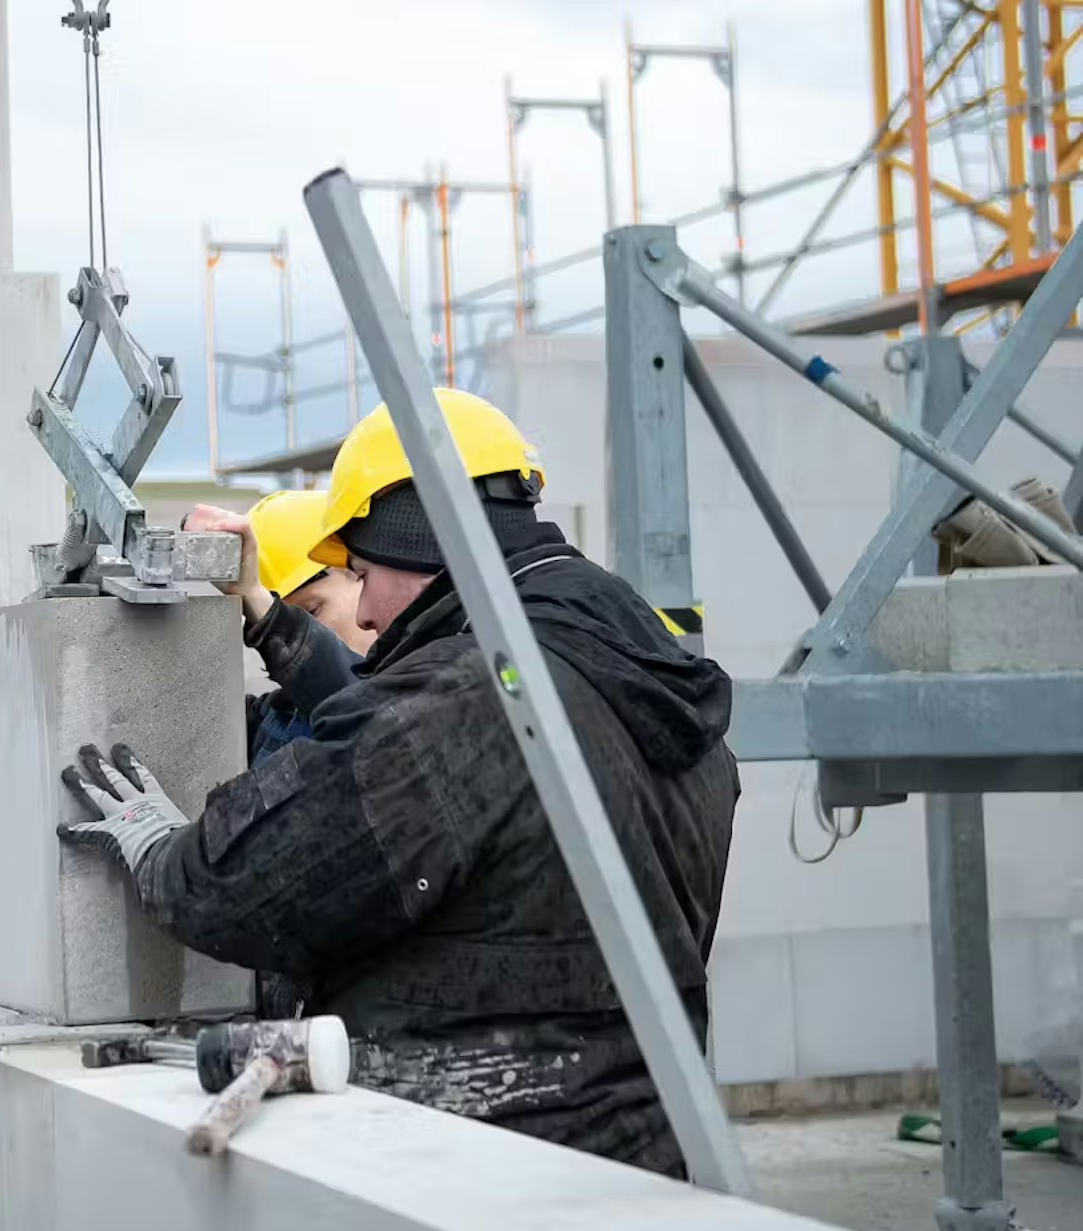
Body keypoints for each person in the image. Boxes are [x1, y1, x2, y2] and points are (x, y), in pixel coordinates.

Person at [58, 388, 738, 1177]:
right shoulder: (641, 677)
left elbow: (239, 886)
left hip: (475, 1182)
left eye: (363, 568)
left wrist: (160, 852)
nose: (370, 611)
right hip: (643, 1177)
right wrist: (271, 619)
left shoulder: (468, 701)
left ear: (417, 537)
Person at [234, 489, 375, 764]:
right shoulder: (275, 720)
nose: (286, 653)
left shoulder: (437, 681)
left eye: (312, 611)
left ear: (360, 571)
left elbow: (360, 704)